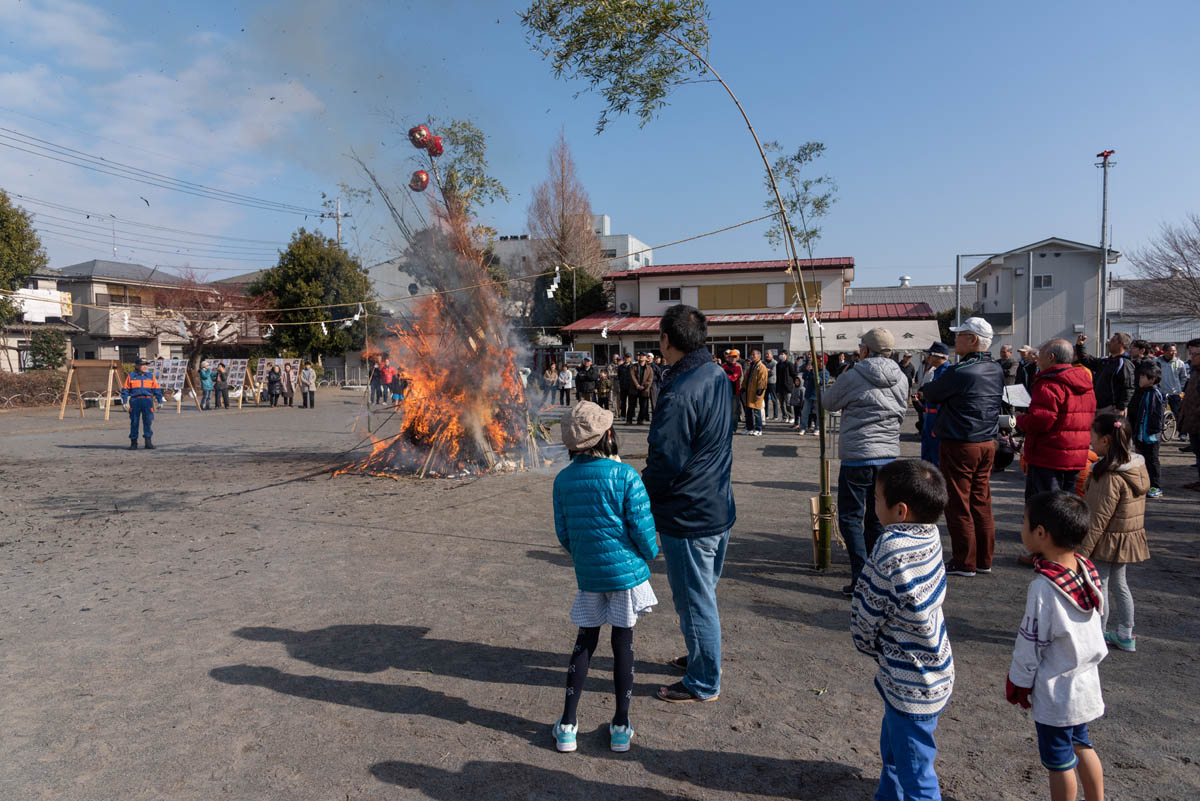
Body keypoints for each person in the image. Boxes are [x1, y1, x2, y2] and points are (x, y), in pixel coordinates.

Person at [551, 401, 658, 754]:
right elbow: (643, 531)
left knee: (585, 641)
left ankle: (567, 725)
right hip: (625, 574)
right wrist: (649, 554)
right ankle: (621, 725)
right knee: (622, 644)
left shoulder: (563, 480)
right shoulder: (625, 475)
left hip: (590, 575)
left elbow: (564, 533)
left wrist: (585, 556)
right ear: (608, 435)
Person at [643, 305, 735, 704]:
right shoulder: (713, 372)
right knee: (702, 593)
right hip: (715, 502)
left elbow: (667, 459)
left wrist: (638, 493)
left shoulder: (680, 390)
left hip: (689, 510)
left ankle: (703, 681)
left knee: (694, 599)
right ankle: (703, 657)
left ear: (666, 339)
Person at [851, 459, 953, 801]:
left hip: (911, 682)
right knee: (895, 751)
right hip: (931, 668)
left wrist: (867, 643)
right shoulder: (930, 533)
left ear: (900, 510)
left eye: (877, 498)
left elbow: (868, 608)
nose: (872, 504)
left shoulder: (890, 547)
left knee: (917, 775)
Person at [1007, 491, 1106, 801]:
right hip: (1085, 681)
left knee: (1059, 761)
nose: (1021, 528)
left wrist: (1019, 681)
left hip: (1057, 689)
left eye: (1024, 522)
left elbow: (1030, 641)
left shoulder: (1043, 588)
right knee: (1083, 744)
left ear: (1040, 533)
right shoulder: (1086, 570)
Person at [823, 328, 909, 593]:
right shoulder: (901, 377)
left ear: (865, 350)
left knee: (850, 516)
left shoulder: (854, 375)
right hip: (887, 455)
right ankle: (875, 572)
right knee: (877, 516)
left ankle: (861, 575)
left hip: (858, 455)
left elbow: (828, 402)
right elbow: (903, 409)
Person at [921, 317, 1004, 578]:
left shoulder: (961, 372)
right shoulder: (995, 368)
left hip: (960, 442)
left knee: (958, 503)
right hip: (986, 441)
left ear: (973, 339)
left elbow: (931, 392)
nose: (954, 339)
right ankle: (983, 558)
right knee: (981, 501)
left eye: (960, 335)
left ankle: (964, 560)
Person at [1015, 339, 1098, 566]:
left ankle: (1044, 554)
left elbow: (1042, 420)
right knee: (1067, 504)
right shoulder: (1084, 380)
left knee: (1045, 506)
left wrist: (1019, 420)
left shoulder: (1049, 382)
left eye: (1039, 353)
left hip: (1048, 454)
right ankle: (1065, 552)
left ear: (1050, 357)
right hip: (1076, 453)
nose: (1036, 357)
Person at [1078, 413, 1149, 654]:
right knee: (1120, 584)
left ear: (1106, 440)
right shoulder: (1136, 467)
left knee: (1102, 586)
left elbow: (1098, 519)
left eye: (1093, 437)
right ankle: (1125, 633)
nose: (1090, 441)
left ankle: (1097, 634)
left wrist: (1082, 552)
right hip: (1127, 538)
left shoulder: (1107, 475)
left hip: (1107, 539)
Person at [1075, 333, 1136, 416]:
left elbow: (1128, 388)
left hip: (1112, 409)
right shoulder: (1105, 360)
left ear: (1122, 344)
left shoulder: (1124, 363)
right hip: (1098, 407)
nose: (1109, 342)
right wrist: (1080, 346)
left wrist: (1121, 408)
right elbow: (1086, 360)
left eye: (1113, 340)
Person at [1128, 361, 1164, 498]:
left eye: (1143, 377)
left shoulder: (1154, 393)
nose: (1140, 379)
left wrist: (1152, 432)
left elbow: (1156, 416)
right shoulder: (1144, 392)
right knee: (1143, 461)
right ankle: (1146, 484)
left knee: (1152, 461)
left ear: (1152, 379)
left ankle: (1156, 486)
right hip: (1141, 434)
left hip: (1150, 436)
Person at [916, 343, 951, 465]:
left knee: (936, 457)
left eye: (929, 354)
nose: (927, 357)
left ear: (938, 356)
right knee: (927, 455)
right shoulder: (937, 372)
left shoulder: (947, 373)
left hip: (938, 418)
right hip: (930, 416)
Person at [121, 358, 164, 450]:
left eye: (146, 365)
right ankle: (133, 443)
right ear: (137, 366)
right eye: (142, 365)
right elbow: (125, 389)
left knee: (148, 421)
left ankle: (148, 442)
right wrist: (124, 402)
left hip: (147, 401)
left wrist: (160, 400)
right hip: (135, 401)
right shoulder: (131, 376)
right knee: (134, 422)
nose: (145, 367)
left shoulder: (150, 376)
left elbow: (156, 389)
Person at [1179, 339, 1200, 490]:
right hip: (1193, 419)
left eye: (1195, 354)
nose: (1192, 358)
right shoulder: (1194, 370)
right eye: (1191, 354)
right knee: (1198, 451)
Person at [739, 349, 769, 436]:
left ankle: (759, 429)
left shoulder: (761, 367)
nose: (752, 356)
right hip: (749, 392)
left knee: (757, 411)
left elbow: (762, 382)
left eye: (753, 355)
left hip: (756, 393)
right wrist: (743, 388)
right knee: (748, 411)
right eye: (751, 354)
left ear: (758, 356)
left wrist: (759, 393)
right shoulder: (752, 366)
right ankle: (749, 428)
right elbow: (746, 378)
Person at [798, 357, 830, 435]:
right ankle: (803, 428)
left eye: (821, 362)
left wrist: (813, 374)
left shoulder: (825, 372)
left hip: (819, 395)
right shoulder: (812, 370)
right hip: (809, 394)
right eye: (818, 361)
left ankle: (817, 428)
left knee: (819, 413)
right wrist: (807, 371)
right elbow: (805, 377)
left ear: (824, 363)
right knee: (805, 412)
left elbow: (821, 382)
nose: (819, 363)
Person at [1157, 343, 1188, 419]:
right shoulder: (1157, 362)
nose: (1174, 353)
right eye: (1171, 351)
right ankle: (1160, 430)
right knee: (1159, 414)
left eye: (1175, 351)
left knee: (1178, 413)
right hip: (1161, 392)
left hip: (1175, 393)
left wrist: (1180, 388)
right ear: (1164, 351)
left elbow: (1183, 377)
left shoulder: (1180, 363)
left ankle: (1181, 430)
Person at [720, 349, 743, 433]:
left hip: (735, 392)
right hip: (724, 392)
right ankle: (726, 427)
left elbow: (734, 378)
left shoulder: (738, 367)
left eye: (735, 357)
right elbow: (720, 377)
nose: (733, 358)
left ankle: (733, 428)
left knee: (734, 412)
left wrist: (726, 375)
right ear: (728, 357)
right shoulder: (723, 366)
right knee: (725, 411)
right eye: (731, 356)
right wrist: (727, 374)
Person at [627, 353, 654, 425]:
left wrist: (644, 386)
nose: (641, 357)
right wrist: (637, 385)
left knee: (643, 406)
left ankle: (640, 420)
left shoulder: (649, 368)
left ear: (646, 358)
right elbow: (632, 376)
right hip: (634, 388)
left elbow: (650, 379)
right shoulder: (633, 366)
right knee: (631, 405)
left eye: (643, 356)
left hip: (644, 389)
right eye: (640, 356)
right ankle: (629, 420)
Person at [775, 350, 797, 425]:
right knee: (781, 404)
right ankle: (785, 416)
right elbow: (777, 376)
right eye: (780, 354)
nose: (781, 355)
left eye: (783, 354)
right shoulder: (778, 365)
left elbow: (794, 374)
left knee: (788, 403)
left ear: (786, 355)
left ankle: (791, 417)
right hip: (780, 386)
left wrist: (795, 383)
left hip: (787, 386)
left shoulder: (789, 364)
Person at [762, 350, 779, 421]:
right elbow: (761, 372)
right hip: (764, 383)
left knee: (774, 399)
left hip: (772, 382)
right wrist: (767, 370)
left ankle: (775, 415)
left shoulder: (775, 363)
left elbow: (772, 372)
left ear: (772, 355)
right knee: (765, 399)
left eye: (768, 354)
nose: (767, 355)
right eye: (766, 354)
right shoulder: (762, 362)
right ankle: (766, 415)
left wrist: (766, 370)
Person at [614, 354, 632, 421]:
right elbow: (619, 376)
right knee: (623, 402)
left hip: (631, 387)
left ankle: (630, 415)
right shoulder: (621, 367)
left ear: (630, 358)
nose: (627, 359)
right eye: (626, 357)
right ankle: (623, 415)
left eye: (628, 357)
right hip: (623, 386)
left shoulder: (633, 366)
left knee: (631, 402)